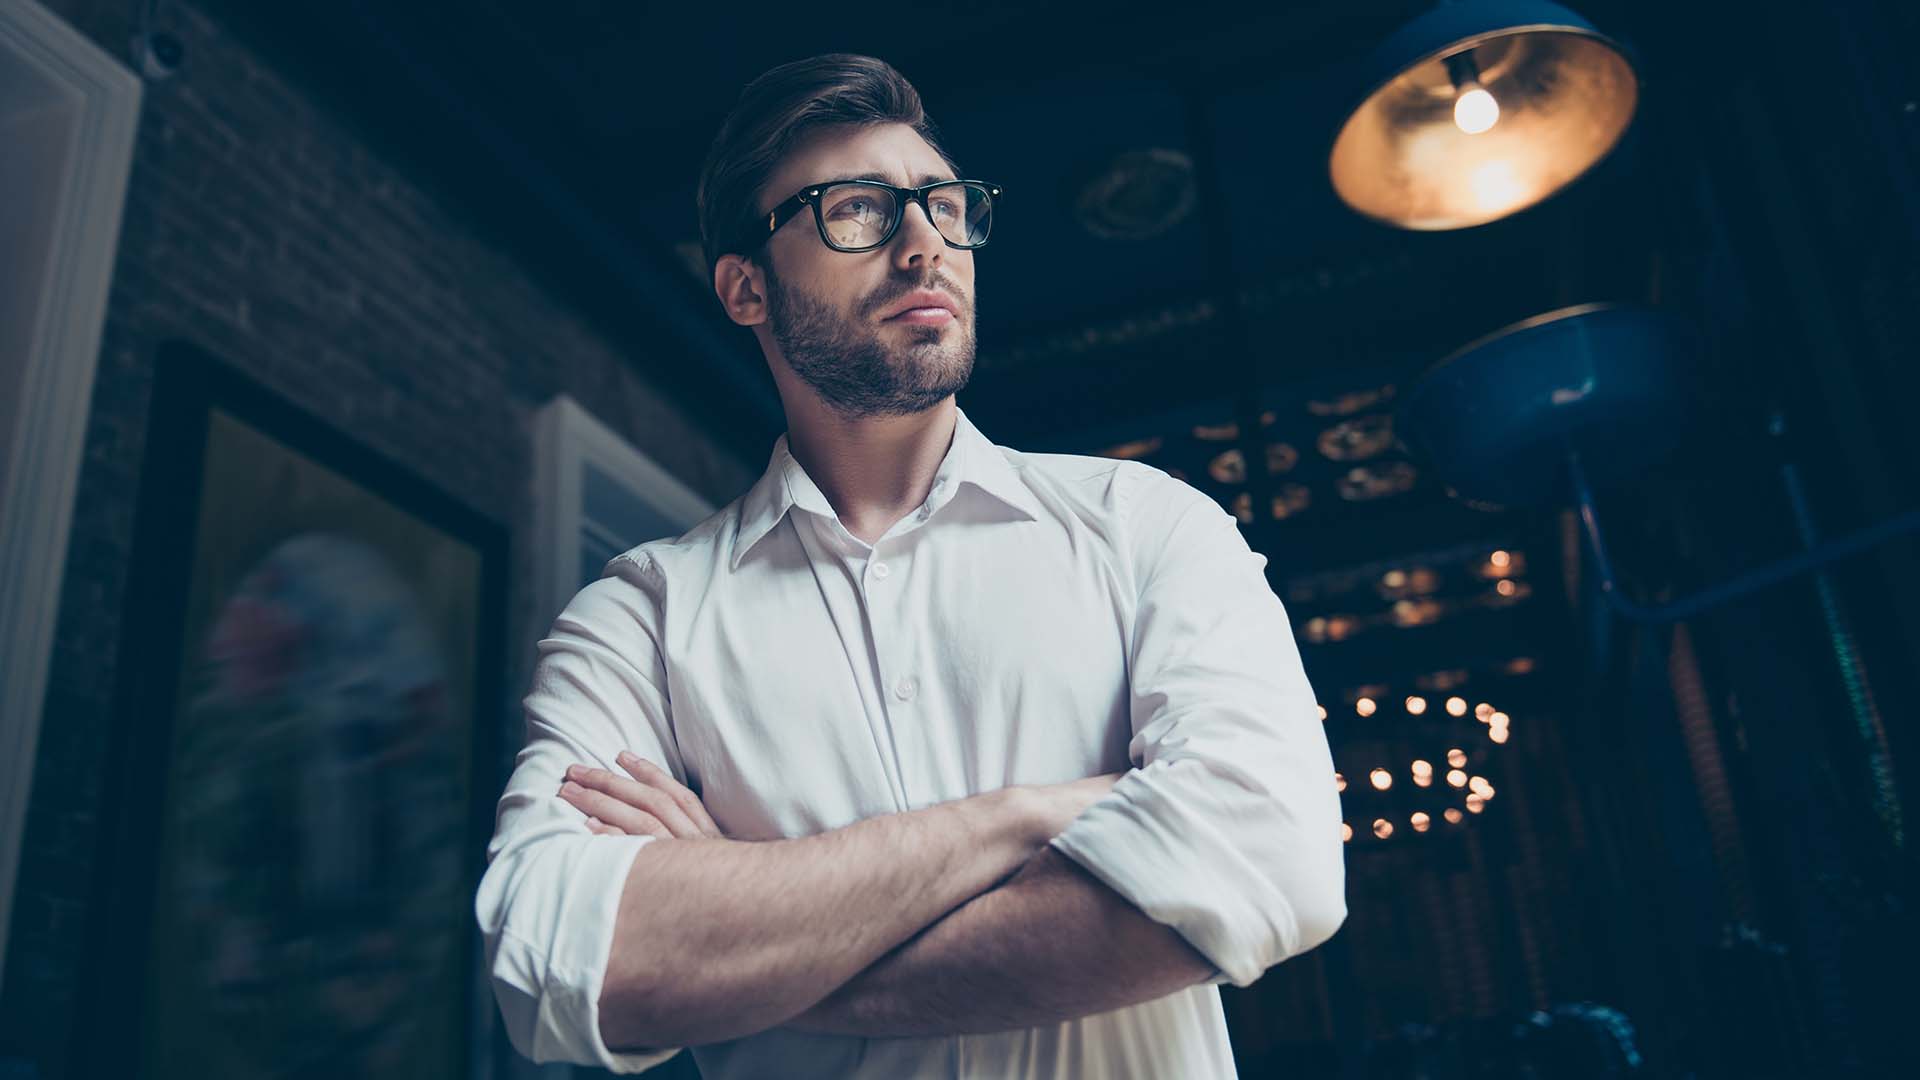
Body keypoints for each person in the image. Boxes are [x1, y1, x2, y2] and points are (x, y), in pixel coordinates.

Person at [474, 52, 1347, 1079]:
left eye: (943, 206)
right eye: (857, 210)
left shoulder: (1149, 528)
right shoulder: (638, 622)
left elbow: (1276, 861)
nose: (926, 244)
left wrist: (746, 944)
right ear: (746, 288)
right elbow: (556, 963)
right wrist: (1023, 817)